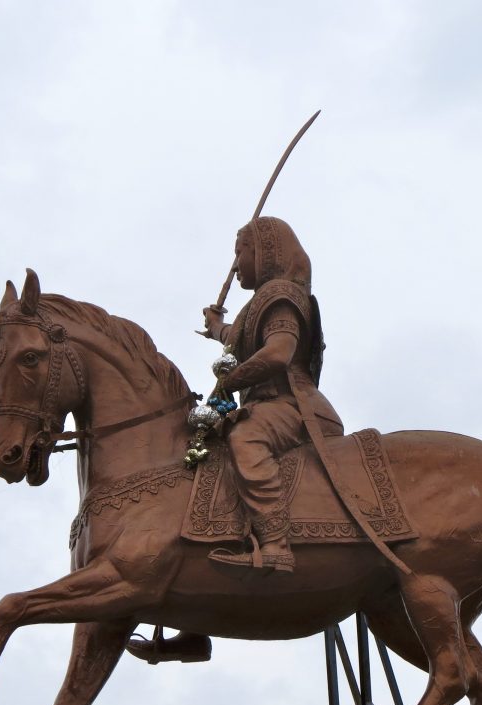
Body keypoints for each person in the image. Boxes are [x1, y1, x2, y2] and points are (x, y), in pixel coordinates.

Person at [128, 216, 342, 663]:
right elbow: (242, 341)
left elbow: (279, 352)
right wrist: (218, 329)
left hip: (291, 407)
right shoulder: (260, 304)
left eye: (240, 252)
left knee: (244, 440)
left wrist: (228, 382)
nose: (236, 263)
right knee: (202, 476)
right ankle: (192, 626)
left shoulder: (282, 295)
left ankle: (277, 546)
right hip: (264, 405)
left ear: (265, 251)